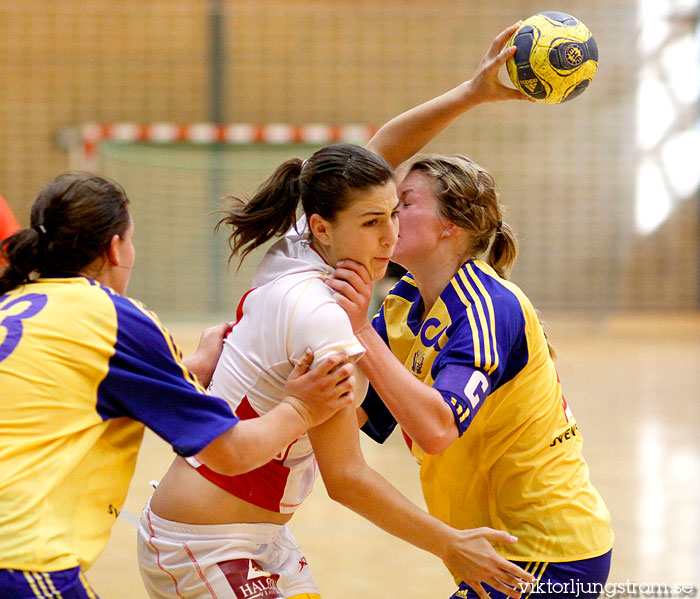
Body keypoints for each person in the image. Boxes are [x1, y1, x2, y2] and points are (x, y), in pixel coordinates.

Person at [136, 26, 538, 599]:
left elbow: (379, 151)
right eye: (372, 224)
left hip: (246, 534)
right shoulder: (325, 316)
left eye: (393, 215)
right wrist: (448, 544)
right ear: (325, 226)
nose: (388, 237)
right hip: (208, 541)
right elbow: (346, 479)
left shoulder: (304, 242)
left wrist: (474, 93)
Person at [327, 39, 615, 599]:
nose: (388, 213)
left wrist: (359, 332)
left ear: (450, 227)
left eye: (404, 203)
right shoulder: (402, 303)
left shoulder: (491, 308)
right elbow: (370, 413)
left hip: (550, 557)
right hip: (487, 551)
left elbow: (435, 429)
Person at [0, 172, 356, 599]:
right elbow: (230, 452)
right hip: (21, 555)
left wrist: (187, 371)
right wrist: (300, 408)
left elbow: (68, 391)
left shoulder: (15, 304)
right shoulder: (115, 317)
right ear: (116, 248)